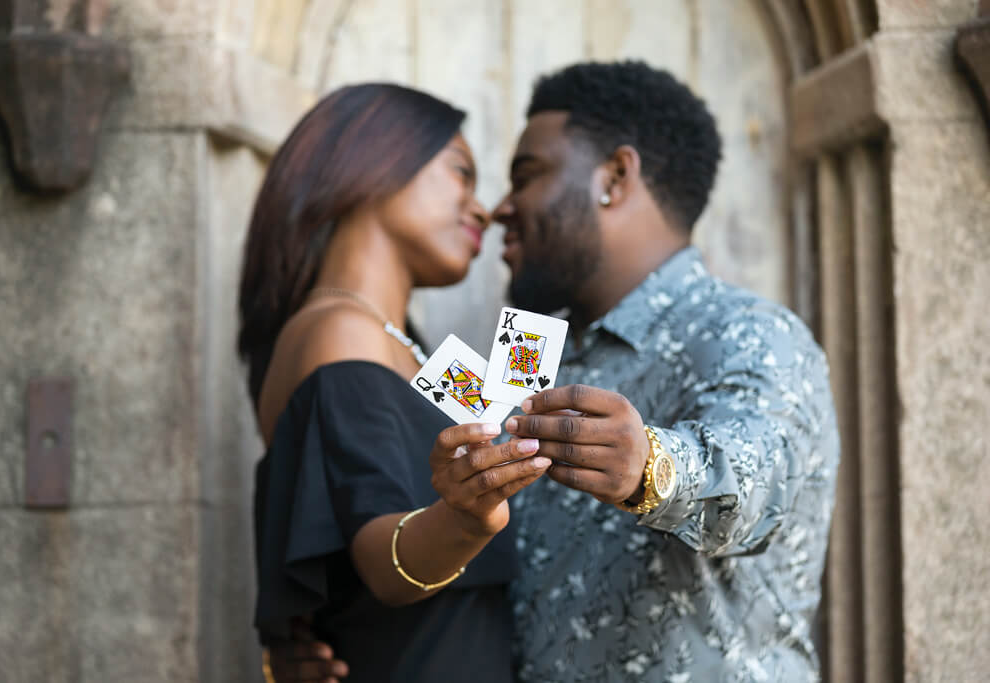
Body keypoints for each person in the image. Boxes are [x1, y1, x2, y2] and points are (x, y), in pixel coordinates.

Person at [288, 60, 839, 682]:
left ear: (614, 177)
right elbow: (398, 497)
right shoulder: (527, 350)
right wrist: (313, 634)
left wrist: (651, 466)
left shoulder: (746, 330)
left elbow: (760, 479)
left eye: (526, 176)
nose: (499, 209)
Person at [238, 83, 551, 683]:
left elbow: (508, 425)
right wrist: (464, 516)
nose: (482, 207)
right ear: (373, 163)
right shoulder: (340, 335)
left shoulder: (401, 346)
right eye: (461, 172)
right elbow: (383, 558)